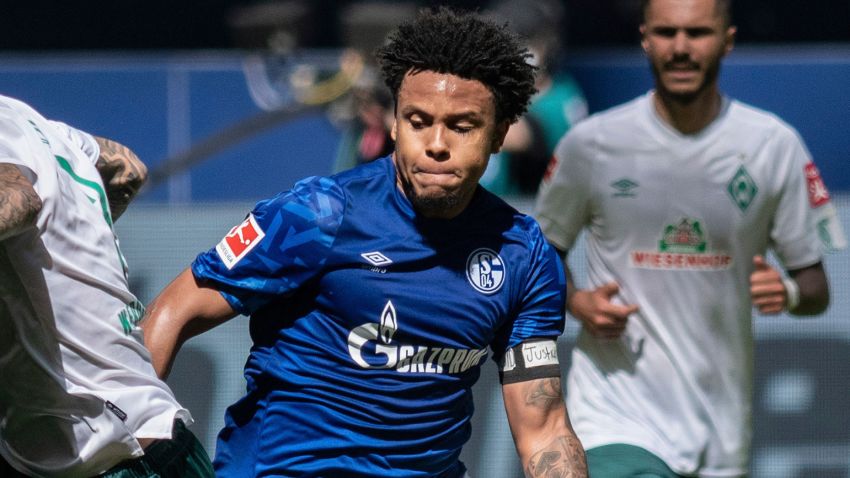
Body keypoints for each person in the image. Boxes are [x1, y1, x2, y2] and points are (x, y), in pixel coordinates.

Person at [142, 7, 587, 478]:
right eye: (418, 121)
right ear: (394, 124)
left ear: (499, 134)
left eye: (461, 126)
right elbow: (175, 310)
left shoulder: (524, 253)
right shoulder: (318, 213)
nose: (436, 143)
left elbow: (543, 428)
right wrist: (135, 436)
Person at [533, 0, 843, 476]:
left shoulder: (771, 145)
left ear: (728, 40)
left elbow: (817, 288)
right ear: (645, 39)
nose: (680, 48)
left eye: (697, 33)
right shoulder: (591, 144)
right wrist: (577, 302)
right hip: (615, 420)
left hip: (720, 433)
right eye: (666, 33)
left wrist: (790, 291)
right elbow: (538, 256)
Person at [0, 94, 214, 477]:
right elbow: (128, 169)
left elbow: (17, 198)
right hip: (129, 445)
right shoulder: (39, 126)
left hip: (112, 456)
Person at [480, 0, 588, 197]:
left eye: (521, 42)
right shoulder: (489, 90)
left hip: (528, 213)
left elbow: (518, 135)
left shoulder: (561, 98)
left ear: (544, 45)